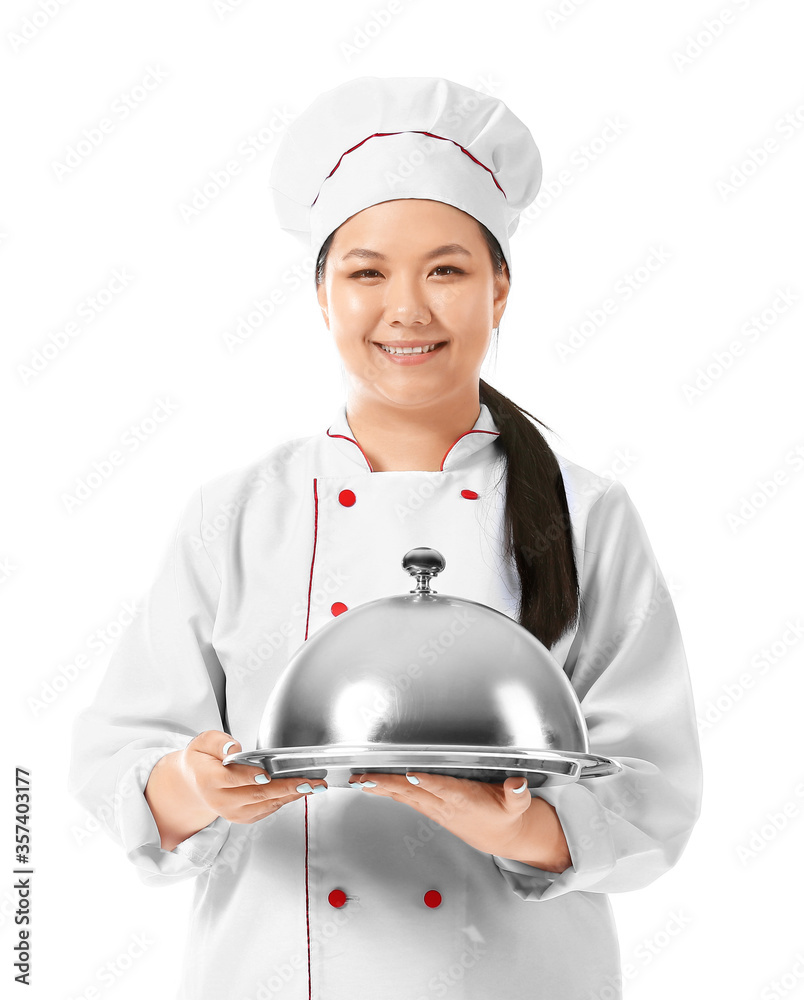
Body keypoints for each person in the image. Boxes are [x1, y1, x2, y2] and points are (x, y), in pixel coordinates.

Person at [68, 76, 703, 1000]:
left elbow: (653, 789)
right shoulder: (236, 513)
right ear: (323, 295)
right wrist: (198, 787)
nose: (406, 309)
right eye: (367, 272)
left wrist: (514, 828)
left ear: (501, 291)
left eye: (446, 270)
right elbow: (118, 762)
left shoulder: (586, 513)